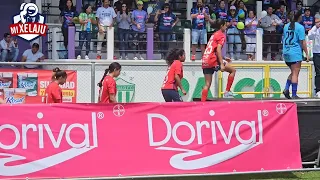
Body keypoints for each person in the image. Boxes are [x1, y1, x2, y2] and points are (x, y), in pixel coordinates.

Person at [201, 19, 236, 101]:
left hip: (205, 59)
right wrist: (221, 63)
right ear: (221, 26)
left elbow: (212, 49)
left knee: (207, 84)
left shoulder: (214, 35)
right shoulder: (221, 35)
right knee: (233, 71)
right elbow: (218, 49)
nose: (226, 26)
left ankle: (202, 103)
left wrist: (223, 58)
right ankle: (227, 92)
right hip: (213, 60)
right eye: (225, 25)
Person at [282, 12, 309, 99]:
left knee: (293, 72)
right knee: (295, 74)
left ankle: (286, 89)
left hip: (286, 52)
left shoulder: (286, 26)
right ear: (299, 17)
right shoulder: (300, 27)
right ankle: (294, 94)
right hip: (295, 52)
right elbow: (302, 42)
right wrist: (307, 53)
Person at [307, 15, 320, 97]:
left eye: (319, 22)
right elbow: (310, 36)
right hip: (317, 53)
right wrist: (315, 27)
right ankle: (318, 90)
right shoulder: (314, 29)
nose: (318, 23)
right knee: (318, 73)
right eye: (316, 22)